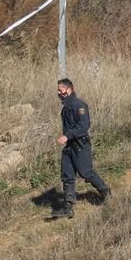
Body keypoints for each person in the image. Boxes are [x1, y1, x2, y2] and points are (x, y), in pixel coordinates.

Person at [52, 78, 110, 219]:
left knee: (86, 173)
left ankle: (105, 192)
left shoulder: (80, 105)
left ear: (69, 89)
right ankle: (68, 207)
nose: (58, 93)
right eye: (58, 91)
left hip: (80, 145)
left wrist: (67, 136)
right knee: (67, 175)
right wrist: (67, 138)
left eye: (61, 90)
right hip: (69, 147)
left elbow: (84, 127)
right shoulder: (66, 107)